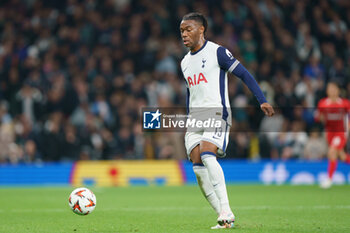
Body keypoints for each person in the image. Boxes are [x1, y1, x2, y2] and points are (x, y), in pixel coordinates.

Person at [179, 12, 274, 229]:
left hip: (216, 112)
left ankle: (226, 208)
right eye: (182, 31)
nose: (184, 34)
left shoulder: (217, 52)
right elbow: (189, 92)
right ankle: (224, 218)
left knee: (207, 153)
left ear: (201, 29)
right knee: (196, 166)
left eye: (188, 29)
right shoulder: (184, 62)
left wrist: (261, 100)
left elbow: (244, 74)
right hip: (195, 118)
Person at [315, 82, 350, 189]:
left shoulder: (344, 103)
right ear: (327, 91)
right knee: (342, 156)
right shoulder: (322, 103)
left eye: (334, 89)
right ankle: (329, 179)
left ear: (338, 91)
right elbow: (318, 118)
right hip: (329, 133)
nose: (332, 91)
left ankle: (329, 180)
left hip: (341, 132)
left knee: (332, 151)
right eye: (330, 89)